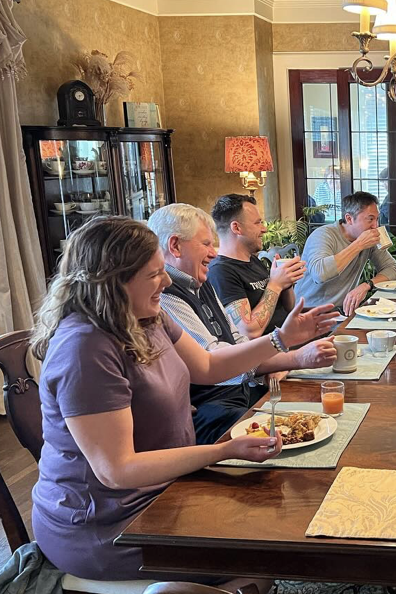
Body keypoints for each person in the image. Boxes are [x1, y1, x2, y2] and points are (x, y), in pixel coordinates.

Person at [29, 216, 337, 582]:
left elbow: (208, 365)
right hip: (110, 524)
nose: (167, 281)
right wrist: (222, 451)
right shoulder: (85, 348)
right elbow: (118, 470)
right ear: (113, 281)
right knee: (266, 538)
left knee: (275, 511)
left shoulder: (145, 315)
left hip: (170, 487)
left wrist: (280, 340)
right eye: (154, 273)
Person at [148, 204, 337, 444]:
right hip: (211, 408)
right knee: (284, 437)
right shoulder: (165, 295)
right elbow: (212, 362)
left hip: (243, 391)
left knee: (312, 417)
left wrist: (296, 356)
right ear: (175, 245)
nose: (214, 252)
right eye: (206, 244)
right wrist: (289, 349)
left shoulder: (201, 281)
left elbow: (238, 341)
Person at [207, 194, 305, 339]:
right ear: (236, 228)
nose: (264, 229)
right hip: (268, 352)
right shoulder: (220, 271)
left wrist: (286, 282)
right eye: (257, 223)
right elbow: (248, 332)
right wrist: (276, 285)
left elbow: (289, 307)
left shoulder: (253, 260)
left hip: (289, 337)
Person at [294, 191, 396, 315]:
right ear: (349, 219)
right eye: (370, 219)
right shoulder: (323, 235)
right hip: (308, 313)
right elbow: (320, 273)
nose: (375, 225)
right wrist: (358, 245)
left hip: (342, 312)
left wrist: (367, 285)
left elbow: (392, 268)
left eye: (377, 219)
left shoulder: (369, 240)